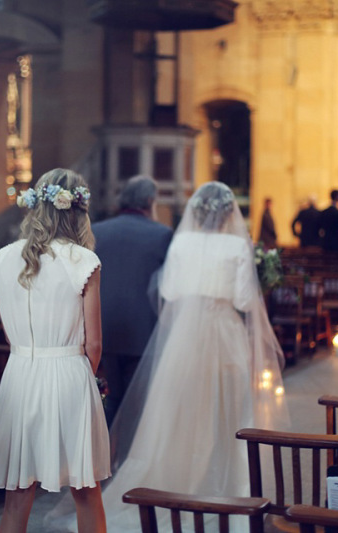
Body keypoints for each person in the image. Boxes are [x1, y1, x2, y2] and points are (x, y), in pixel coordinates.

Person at [89, 182, 289, 532]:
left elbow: (168, 291)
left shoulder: (181, 241)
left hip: (184, 337)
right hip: (224, 334)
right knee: (226, 414)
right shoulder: (237, 245)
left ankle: (175, 486)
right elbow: (244, 301)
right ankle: (226, 487)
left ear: (196, 211)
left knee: (180, 413)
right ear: (230, 213)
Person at [0, 169, 110, 533]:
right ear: (78, 210)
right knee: (86, 489)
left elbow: (10, 334)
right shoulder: (82, 261)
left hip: (20, 372)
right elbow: (95, 343)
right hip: (70, 371)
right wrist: (85, 374)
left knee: (18, 493)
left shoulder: (2, 259)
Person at [92, 175, 173, 425]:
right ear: (150, 201)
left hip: (104, 328)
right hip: (143, 330)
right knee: (139, 403)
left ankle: (105, 459)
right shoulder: (162, 234)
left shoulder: (97, 231)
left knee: (113, 397)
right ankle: (129, 460)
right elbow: (168, 286)